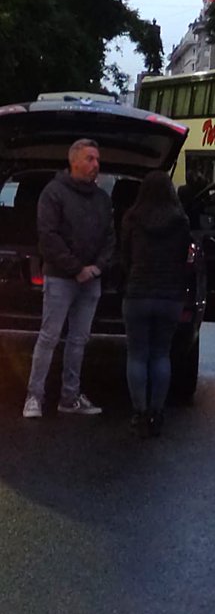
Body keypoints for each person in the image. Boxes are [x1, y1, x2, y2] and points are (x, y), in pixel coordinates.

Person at [23, 138, 115, 419]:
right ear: (73, 161)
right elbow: (48, 236)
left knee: (79, 339)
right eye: (90, 159)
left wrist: (97, 268)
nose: (95, 165)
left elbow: (110, 237)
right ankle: (34, 397)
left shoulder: (102, 199)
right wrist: (77, 268)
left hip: (91, 280)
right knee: (49, 337)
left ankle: (69, 397)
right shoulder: (54, 193)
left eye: (97, 160)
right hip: (62, 278)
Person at [121, 170, 190, 436]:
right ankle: (157, 412)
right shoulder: (180, 221)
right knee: (161, 353)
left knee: (137, 354)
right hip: (169, 295)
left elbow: (125, 256)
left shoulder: (132, 218)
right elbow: (184, 257)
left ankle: (139, 412)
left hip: (138, 292)